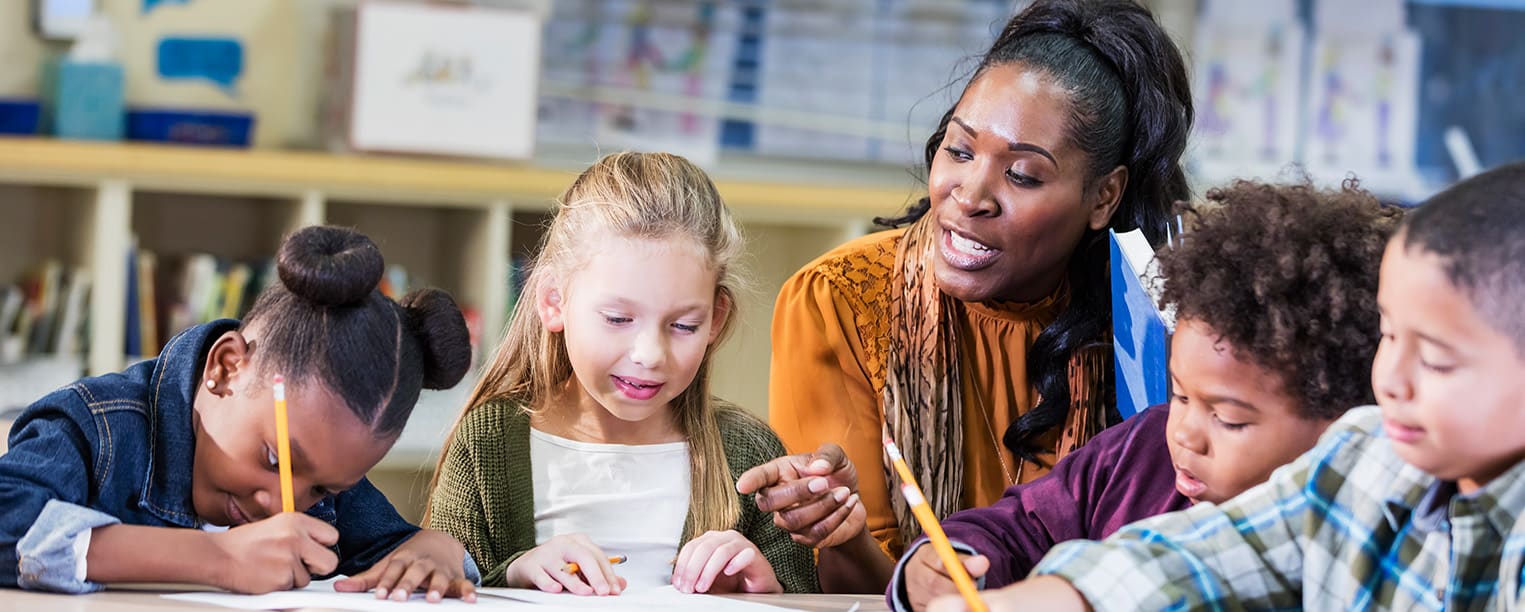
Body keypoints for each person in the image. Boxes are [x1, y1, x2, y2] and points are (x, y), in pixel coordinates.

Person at [739, 0, 1194, 592]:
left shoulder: (1150, 331)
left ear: (1104, 197)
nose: (970, 194)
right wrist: (845, 535)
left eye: (1023, 175)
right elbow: (849, 590)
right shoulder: (840, 301)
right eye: (959, 150)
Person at [930, 161, 1525, 611]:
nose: (1392, 379)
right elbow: (1198, 555)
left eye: (1439, 361)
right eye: (1391, 335)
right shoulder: (1364, 459)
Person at [0, 225, 478, 601]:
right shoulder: (97, 427)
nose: (281, 504)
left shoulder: (324, 482)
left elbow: (393, 549)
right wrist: (216, 557)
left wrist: (436, 550)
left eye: (322, 489)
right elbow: (10, 522)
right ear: (227, 368)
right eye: (274, 458)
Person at [424, 152, 817, 595]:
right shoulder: (489, 440)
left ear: (716, 319)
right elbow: (442, 591)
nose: (649, 354)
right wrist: (515, 576)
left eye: (683, 325)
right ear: (554, 301)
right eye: (617, 319)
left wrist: (766, 592)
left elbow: (806, 596)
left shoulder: (748, 451)